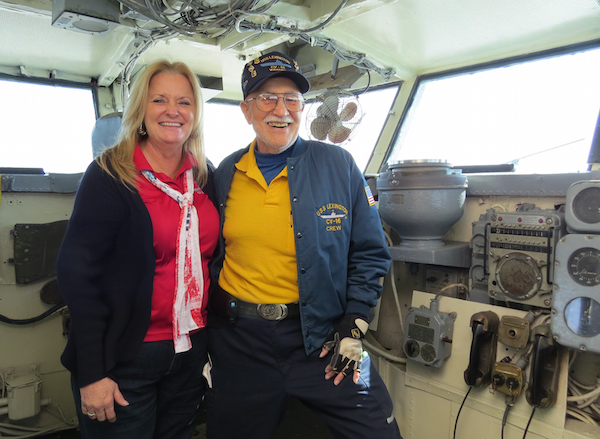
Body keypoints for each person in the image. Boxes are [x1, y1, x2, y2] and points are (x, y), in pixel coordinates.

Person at [206, 51, 402, 439]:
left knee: (378, 431)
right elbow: (211, 255)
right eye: (267, 98)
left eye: (292, 99)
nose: (281, 110)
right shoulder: (226, 173)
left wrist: (354, 321)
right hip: (241, 344)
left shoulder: (339, 165)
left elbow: (370, 251)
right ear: (247, 110)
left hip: (323, 340)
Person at [56, 60, 219, 439]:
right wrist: (94, 372)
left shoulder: (204, 175)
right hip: (126, 356)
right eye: (159, 99)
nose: (173, 111)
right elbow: (76, 275)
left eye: (184, 101)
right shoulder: (111, 173)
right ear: (141, 111)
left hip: (189, 351)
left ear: (195, 113)